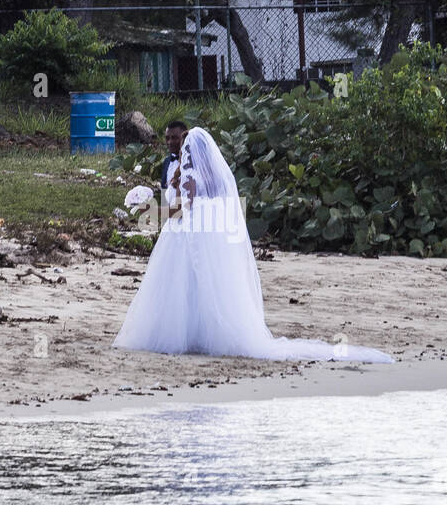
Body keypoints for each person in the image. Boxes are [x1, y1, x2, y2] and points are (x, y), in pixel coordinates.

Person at [113, 127, 393, 362]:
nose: (183, 153)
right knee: (206, 285)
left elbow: (179, 210)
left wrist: (148, 209)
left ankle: (183, 334)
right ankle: (203, 332)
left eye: (185, 149)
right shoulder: (213, 179)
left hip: (187, 235)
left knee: (180, 285)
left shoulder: (190, 178)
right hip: (207, 236)